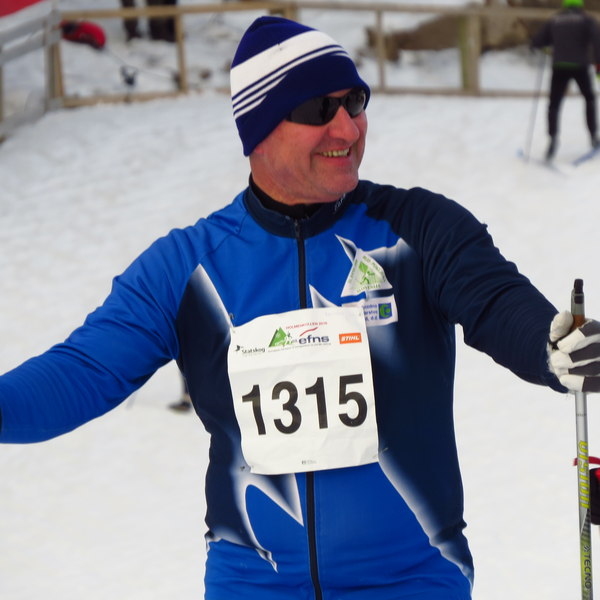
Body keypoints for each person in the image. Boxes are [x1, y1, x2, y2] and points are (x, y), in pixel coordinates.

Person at [2, 15, 600, 600]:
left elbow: (495, 299)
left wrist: (549, 346)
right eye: (318, 110)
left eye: (355, 103)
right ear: (259, 130)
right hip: (252, 582)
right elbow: (83, 370)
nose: (347, 128)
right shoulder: (188, 266)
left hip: (411, 579)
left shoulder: (416, 230)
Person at [530, 0, 600, 160]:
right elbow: (597, 42)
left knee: (554, 104)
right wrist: (599, 66)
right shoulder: (587, 19)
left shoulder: (555, 19)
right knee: (589, 99)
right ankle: (594, 137)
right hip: (580, 66)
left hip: (559, 65)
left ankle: (552, 140)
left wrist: (537, 44)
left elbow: (539, 41)